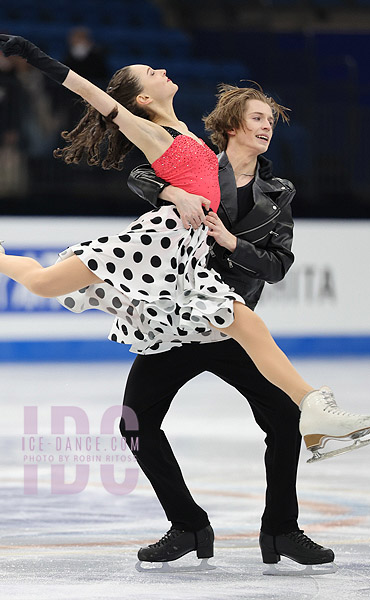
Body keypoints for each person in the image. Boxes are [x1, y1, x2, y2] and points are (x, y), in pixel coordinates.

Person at [0, 34, 370, 566]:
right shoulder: (153, 130)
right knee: (49, 286)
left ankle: (313, 426)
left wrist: (209, 218)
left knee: (240, 320)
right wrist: (37, 56)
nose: (162, 69)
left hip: (186, 266)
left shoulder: (219, 154)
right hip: (156, 244)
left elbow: (271, 259)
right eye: (151, 72)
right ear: (141, 99)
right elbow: (101, 106)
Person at [121, 83, 336, 573]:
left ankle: (281, 530)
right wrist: (172, 191)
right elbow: (137, 173)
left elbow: (278, 266)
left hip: (231, 325)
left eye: (270, 122)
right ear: (233, 125)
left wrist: (231, 242)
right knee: (135, 426)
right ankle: (188, 525)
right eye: (257, 118)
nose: (266, 128)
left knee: (284, 421)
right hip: (174, 322)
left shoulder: (278, 194)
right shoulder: (195, 162)